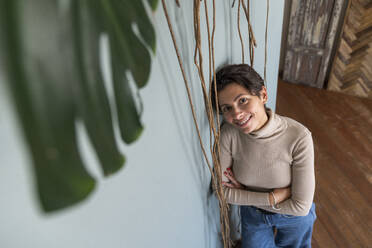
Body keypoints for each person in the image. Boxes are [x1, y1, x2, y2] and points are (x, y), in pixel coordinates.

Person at [211, 64, 316, 248]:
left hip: (294, 218)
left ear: (263, 95)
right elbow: (220, 191)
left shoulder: (299, 136)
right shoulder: (229, 134)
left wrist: (243, 194)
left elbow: (300, 207)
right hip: (253, 216)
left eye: (242, 100)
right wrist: (272, 198)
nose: (236, 113)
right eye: (227, 108)